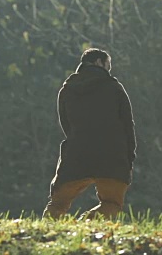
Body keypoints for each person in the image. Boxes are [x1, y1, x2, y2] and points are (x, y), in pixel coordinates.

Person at [43, 48, 136, 220]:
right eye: (108, 65)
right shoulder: (114, 88)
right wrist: (129, 156)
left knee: (57, 204)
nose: (109, 70)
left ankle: (45, 234)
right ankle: (85, 226)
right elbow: (127, 125)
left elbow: (66, 124)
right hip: (112, 155)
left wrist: (78, 139)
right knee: (112, 204)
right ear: (99, 63)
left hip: (77, 155)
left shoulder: (67, 90)